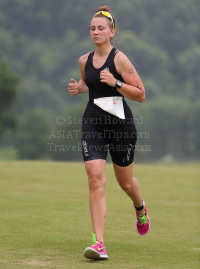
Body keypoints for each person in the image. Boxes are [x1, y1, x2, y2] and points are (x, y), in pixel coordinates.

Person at [68, 6, 150, 260]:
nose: (96, 32)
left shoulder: (119, 59)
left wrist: (115, 82)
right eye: (92, 28)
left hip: (120, 127)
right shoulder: (84, 60)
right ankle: (99, 243)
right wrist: (77, 88)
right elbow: (88, 84)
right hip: (93, 124)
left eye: (101, 28)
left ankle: (140, 207)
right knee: (95, 179)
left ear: (112, 31)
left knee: (125, 182)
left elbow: (141, 94)